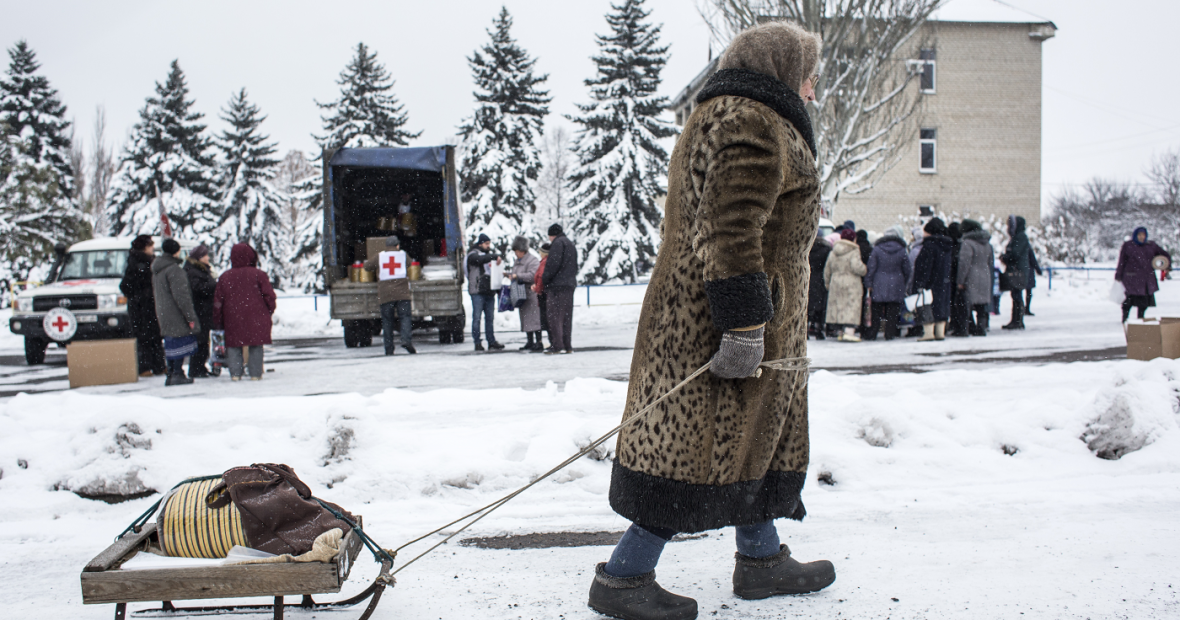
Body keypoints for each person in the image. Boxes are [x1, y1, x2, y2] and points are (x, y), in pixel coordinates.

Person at [588, 22, 835, 620]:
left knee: (748, 439)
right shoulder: (751, 120)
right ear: (779, 68)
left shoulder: (730, 113)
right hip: (715, 319)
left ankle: (761, 559)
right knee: (691, 449)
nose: (812, 87)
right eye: (807, 74)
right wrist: (745, 323)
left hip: (728, 312)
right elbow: (731, 227)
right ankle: (623, 578)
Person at [212, 243, 276, 380]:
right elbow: (269, 296)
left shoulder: (225, 277)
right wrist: (268, 311)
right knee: (255, 345)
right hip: (256, 316)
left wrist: (218, 319)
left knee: (234, 345)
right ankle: (255, 374)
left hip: (232, 316)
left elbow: (218, 301)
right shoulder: (259, 275)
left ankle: (235, 374)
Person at [152, 238, 200, 386]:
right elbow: (182, 296)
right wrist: (191, 317)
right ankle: (178, 373)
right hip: (176, 312)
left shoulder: (157, 270)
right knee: (180, 342)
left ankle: (171, 373)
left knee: (170, 342)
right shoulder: (174, 270)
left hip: (163, 311)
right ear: (176, 251)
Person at [120, 235, 166, 377]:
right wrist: (140, 294)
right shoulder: (137, 263)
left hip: (149, 305)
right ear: (145, 247)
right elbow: (125, 285)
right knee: (144, 337)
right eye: (150, 245)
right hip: (141, 307)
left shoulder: (149, 261)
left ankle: (158, 365)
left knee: (155, 336)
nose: (153, 247)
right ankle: (145, 366)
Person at [364, 236, 415, 355]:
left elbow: (367, 267)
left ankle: (389, 348)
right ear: (397, 245)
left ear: (386, 246)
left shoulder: (380, 256)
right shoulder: (403, 254)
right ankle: (406, 340)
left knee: (387, 322)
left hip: (386, 295)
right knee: (405, 318)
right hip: (402, 294)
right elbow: (410, 263)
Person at [863, 225, 912, 341]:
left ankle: (873, 333)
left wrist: (868, 283)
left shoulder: (877, 249)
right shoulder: (902, 250)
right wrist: (904, 282)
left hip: (878, 283)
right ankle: (890, 334)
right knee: (893, 311)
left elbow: (871, 267)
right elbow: (907, 269)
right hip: (897, 283)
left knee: (876, 310)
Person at [1115, 226, 1172, 322]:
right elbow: (1122, 261)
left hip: (1146, 279)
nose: (1141, 237)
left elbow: (1164, 255)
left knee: (1143, 302)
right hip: (1131, 279)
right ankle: (1125, 318)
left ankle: (1140, 319)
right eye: (1139, 235)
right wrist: (1118, 274)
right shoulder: (1128, 246)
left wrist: (1166, 264)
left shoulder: (1151, 246)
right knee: (1128, 301)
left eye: (1143, 235)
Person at [913, 218, 954, 341]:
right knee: (941, 305)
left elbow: (924, 267)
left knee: (926, 305)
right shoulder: (947, 245)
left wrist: (920, 282)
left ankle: (929, 333)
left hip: (930, 282)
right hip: (944, 281)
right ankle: (940, 332)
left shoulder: (929, 246)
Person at [824, 228, 867, 342]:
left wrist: (828, 283)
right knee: (851, 305)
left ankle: (840, 332)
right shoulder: (854, 250)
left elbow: (827, 270)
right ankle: (849, 331)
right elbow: (856, 267)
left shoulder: (833, 251)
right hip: (851, 281)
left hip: (836, 280)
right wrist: (864, 269)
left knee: (839, 305)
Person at [541, 223, 577, 354]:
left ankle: (557, 345)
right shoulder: (570, 244)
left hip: (556, 287)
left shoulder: (557, 244)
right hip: (569, 285)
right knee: (567, 317)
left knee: (555, 317)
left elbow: (552, 265)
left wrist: (545, 280)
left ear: (552, 235)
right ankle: (567, 345)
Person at [466, 233, 504, 351]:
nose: (488, 246)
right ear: (480, 243)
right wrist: (494, 256)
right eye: (486, 244)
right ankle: (477, 342)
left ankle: (491, 341)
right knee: (477, 318)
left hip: (488, 291)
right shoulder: (473, 254)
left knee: (489, 318)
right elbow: (478, 260)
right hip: (477, 290)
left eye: (489, 244)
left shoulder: (488, 256)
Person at [183, 244, 217, 377]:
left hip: (203, 310)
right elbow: (198, 289)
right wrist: (213, 284)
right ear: (199, 257)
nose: (208, 258)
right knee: (200, 340)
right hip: (200, 310)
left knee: (203, 340)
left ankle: (200, 366)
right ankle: (196, 368)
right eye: (206, 255)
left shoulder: (199, 269)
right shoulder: (193, 271)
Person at [957, 219, 995, 336]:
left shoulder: (967, 243)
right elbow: (991, 261)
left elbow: (964, 263)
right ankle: (981, 327)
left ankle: (970, 327)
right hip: (986, 274)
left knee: (967, 303)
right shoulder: (987, 243)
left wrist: (960, 280)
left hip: (972, 276)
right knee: (982, 305)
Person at [507, 236, 544, 351]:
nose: (516, 254)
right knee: (526, 319)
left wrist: (518, 276)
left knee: (534, 319)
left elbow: (534, 275)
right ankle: (530, 341)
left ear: (522, 251)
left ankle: (538, 341)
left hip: (531, 293)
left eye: (517, 251)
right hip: (521, 293)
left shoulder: (532, 260)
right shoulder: (518, 261)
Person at [1000, 215, 1031, 330]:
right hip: (1018, 270)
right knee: (1016, 295)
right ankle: (1016, 320)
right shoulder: (1018, 237)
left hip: (1018, 271)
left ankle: (1017, 320)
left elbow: (1015, 254)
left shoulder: (1020, 237)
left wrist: (1006, 257)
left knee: (1017, 296)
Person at [946, 222, 971, 337]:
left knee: (957, 304)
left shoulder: (952, 245)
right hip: (960, 278)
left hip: (954, 279)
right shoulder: (962, 244)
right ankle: (965, 326)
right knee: (961, 304)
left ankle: (960, 326)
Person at [806, 232, 832, 340]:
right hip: (820, 280)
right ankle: (818, 330)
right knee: (820, 307)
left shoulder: (808, 248)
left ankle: (805, 330)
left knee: (808, 306)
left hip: (809, 278)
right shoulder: (826, 250)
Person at [533, 243, 552, 349]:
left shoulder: (544, 262)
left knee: (546, 319)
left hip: (543, 294)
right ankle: (552, 341)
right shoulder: (549, 261)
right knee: (548, 319)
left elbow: (540, 277)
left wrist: (537, 289)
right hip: (547, 293)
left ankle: (552, 341)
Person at [1025, 248, 1043, 317]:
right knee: (1028, 292)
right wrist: (1038, 270)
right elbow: (1033, 260)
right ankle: (1027, 308)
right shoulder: (1027, 248)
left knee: (1021, 292)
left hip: (1023, 271)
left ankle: (1022, 308)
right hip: (1029, 272)